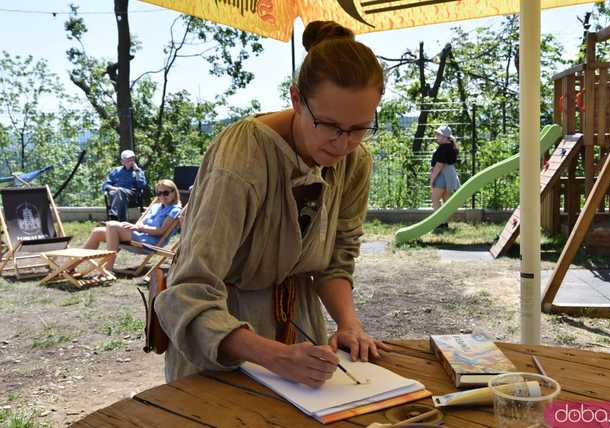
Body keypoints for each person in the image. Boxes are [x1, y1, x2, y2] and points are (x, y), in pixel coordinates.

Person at [155, 20, 391, 387]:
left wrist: (349, 324)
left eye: (359, 128)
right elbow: (187, 291)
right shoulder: (241, 160)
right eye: (329, 125)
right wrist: (275, 356)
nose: (342, 144)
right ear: (297, 99)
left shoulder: (355, 161)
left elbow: (336, 259)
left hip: (299, 330)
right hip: (222, 340)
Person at [84, 179, 182, 272]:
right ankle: (71, 266)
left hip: (151, 242)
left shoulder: (175, 210)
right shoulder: (156, 206)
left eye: (166, 193)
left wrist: (140, 228)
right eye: (159, 193)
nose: (162, 196)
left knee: (112, 226)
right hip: (139, 234)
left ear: (174, 192)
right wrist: (136, 226)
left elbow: (161, 231)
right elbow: (140, 222)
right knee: (98, 232)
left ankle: (108, 268)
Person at [103, 150, 147, 221]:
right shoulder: (116, 171)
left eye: (132, 159)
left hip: (131, 196)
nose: (131, 161)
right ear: (122, 161)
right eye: (128, 159)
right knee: (119, 192)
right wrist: (115, 189)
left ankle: (114, 217)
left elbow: (142, 185)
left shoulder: (138, 171)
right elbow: (105, 185)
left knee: (120, 191)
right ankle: (121, 221)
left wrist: (137, 171)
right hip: (115, 195)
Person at [430, 125, 460, 229]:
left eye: (439, 134)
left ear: (444, 136)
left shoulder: (443, 148)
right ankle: (444, 223)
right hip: (450, 176)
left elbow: (439, 165)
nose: (436, 136)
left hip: (441, 176)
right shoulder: (452, 146)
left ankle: (439, 223)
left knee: (435, 200)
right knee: (446, 200)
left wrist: (432, 179)